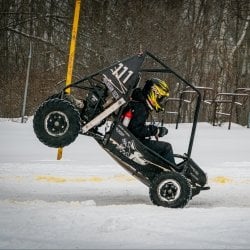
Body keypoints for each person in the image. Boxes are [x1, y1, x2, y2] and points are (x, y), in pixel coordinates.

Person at [122, 78, 177, 166]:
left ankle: (168, 171)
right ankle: (173, 174)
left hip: (131, 141)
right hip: (133, 143)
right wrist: (156, 131)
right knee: (166, 148)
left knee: (160, 148)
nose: (160, 101)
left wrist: (153, 131)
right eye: (160, 98)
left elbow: (134, 126)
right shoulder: (140, 106)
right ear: (154, 93)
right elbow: (136, 129)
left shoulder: (138, 102)